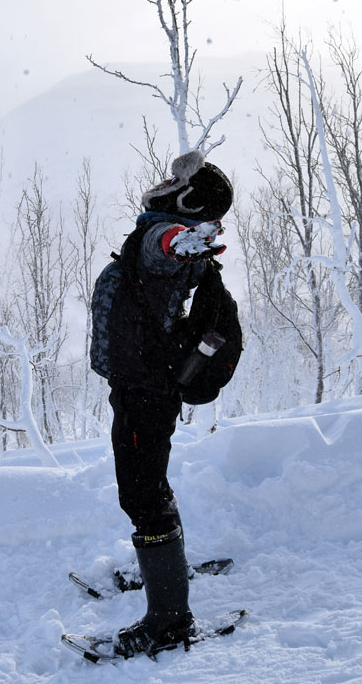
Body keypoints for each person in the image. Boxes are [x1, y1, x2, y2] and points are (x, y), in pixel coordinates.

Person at [90, 148, 238, 658]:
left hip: (145, 392)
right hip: (141, 386)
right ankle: (162, 569)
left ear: (186, 202)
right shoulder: (164, 232)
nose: (159, 184)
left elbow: (163, 247)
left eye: (172, 183)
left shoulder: (163, 236)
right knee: (148, 485)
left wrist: (185, 239)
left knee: (142, 495)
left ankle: (169, 618)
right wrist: (191, 240)